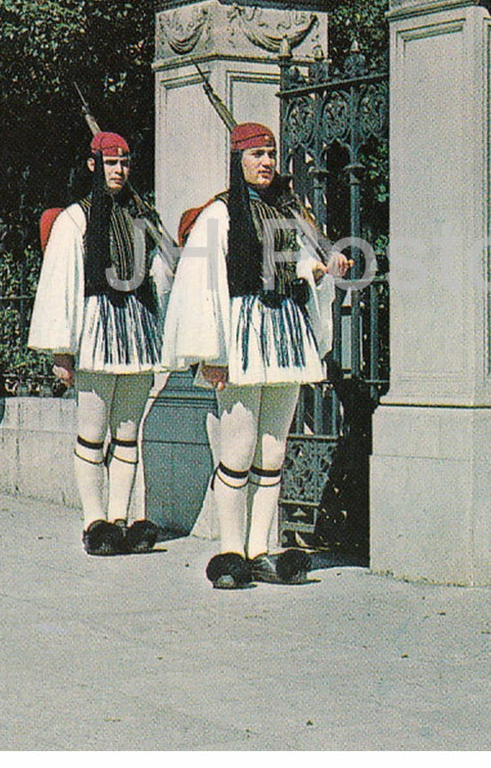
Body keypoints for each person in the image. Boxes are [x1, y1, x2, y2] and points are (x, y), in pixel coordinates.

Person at [161, 122, 349, 589]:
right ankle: (231, 549)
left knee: (273, 448)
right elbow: (203, 286)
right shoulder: (219, 216)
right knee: (238, 448)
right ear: (238, 161)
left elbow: (297, 262)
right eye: (256, 155)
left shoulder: (286, 213)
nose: (265, 163)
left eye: (270, 154)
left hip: (284, 335)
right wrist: (212, 352)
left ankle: (259, 548)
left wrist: (321, 269)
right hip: (242, 336)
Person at [29, 130, 171, 556]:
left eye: (124, 163)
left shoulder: (144, 215)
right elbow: (61, 284)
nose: (119, 170)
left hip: (137, 330)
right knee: (92, 432)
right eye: (111, 163)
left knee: (128, 432)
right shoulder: (75, 218)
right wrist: (62, 349)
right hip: (94, 329)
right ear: (93, 165)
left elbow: (163, 274)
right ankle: (94, 520)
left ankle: (120, 518)